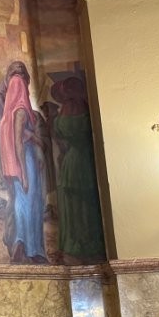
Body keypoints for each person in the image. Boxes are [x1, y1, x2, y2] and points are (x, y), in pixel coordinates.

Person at [0, 60, 47, 263]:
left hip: (17, 164)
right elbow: (17, 143)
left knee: (22, 203)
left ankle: (22, 244)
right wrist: (24, 173)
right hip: (25, 161)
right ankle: (30, 249)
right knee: (31, 204)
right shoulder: (21, 110)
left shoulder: (6, 116)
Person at [50, 75, 106, 262]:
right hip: (86, 160)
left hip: (71, 161)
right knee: (87, 206)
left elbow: (60, 139)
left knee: (72, 206)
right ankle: (89, 245)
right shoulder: (86, 111)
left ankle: (72, 245)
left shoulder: (62, 115)